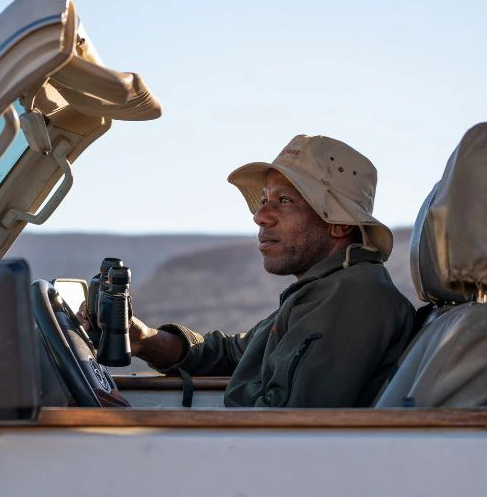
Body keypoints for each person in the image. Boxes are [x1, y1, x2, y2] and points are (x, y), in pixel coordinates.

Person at [98, 135, 415, 407]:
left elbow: (288, 424)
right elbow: (235, 354)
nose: (260, 216)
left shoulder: (350, 297)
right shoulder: (323, 289)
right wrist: (144, 340)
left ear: (340, 224)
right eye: (264, 200)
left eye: (284, 200)